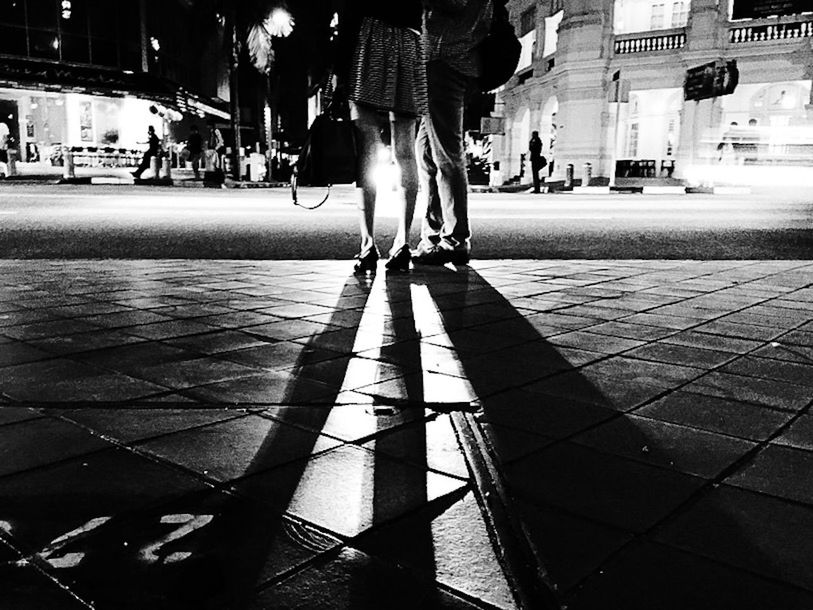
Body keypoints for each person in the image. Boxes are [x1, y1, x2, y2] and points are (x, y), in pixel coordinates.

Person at [335, 0, 427, 274]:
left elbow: (348, 14)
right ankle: (402, 241)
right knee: (405, 150)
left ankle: (367, 244)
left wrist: (340, 72)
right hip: (410, 43)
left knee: (367, 150)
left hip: (369, 41)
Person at [413, 0, 493, 266]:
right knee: (425, 153)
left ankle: (456, 239)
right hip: (443, 60)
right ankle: (434, 236)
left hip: (446, 59)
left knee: (446, 154)